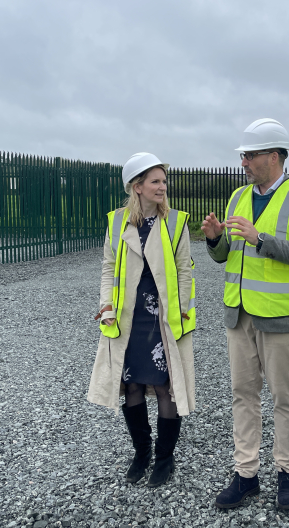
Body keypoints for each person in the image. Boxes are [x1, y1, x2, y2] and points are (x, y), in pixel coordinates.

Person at [201, 118, 289, 510]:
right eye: (243, 155)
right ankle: (246, 475)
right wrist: (215, 239)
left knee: (284, 397)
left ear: (274, 156)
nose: (244, 162)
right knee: (243, 394)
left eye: (250, 155)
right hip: (239, 316)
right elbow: (226, 258)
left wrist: (261, 239)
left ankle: (287, 473)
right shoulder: (237, 197)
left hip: (280, 318)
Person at [87, 152, 196, 488]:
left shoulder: (176, 222)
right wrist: (106, 305)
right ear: (137, 187)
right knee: (132, 386)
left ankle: (165, 459)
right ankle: (141, 453)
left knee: (166, 387)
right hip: (128, 318)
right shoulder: (117, 222)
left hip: (162, 319)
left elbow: (185, 269)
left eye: (164, 181)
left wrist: (183, 308)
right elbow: (108, 268)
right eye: (155, 181)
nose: (163, 187)